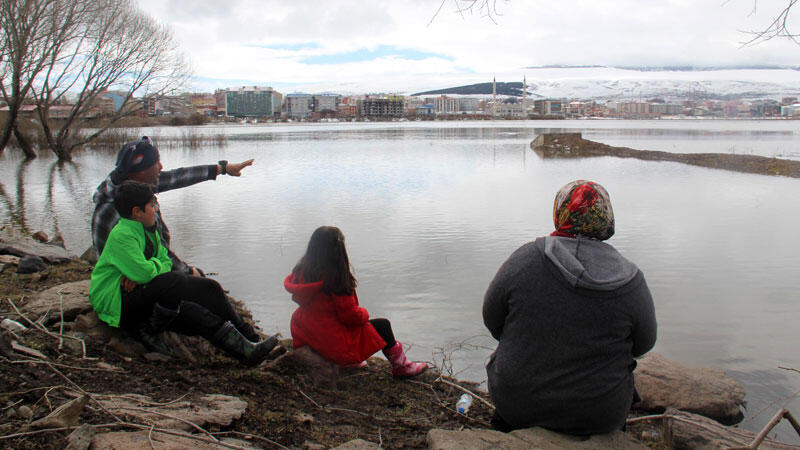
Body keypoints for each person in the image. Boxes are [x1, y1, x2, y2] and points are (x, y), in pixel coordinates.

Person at [482, 180, 657, 435]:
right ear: (606, 218)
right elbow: (644, 344)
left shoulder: (525, 259)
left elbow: (492, 319)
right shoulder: (630, 279)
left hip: (517, 406)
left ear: (560, 213)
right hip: (598, 415)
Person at [89, 180, 278, 366]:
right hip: (118, 302)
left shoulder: (149, 229)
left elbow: (163, 261)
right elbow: (146, 273)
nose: (156, 209)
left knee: (209, 290)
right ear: (137, 212)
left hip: (143, 295)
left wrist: (146, 270)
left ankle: (250, 346)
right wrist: (146, 271)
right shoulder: (122, 234)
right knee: (175, 280)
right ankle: (149, 330)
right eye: (151, 205)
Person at [92, 136, 253, 277]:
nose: (161, 167)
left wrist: (223, 169)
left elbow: (178, 177)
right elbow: (155, 253)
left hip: (148, 269)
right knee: (205, 289)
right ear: (141, 171)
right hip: (129, 281)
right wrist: (189, 272)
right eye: (156, 163)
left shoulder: (134, 185)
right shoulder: (117, 210)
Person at [284, 226, 427, 378]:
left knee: (334, 326)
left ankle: (339, 362)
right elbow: (350, 316)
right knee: (382, 326)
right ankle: (402, 367)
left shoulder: (300, 272)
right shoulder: (335, 279)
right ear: (338, 250)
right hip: (332, 343)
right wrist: (364, 313)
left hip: (307, 335)